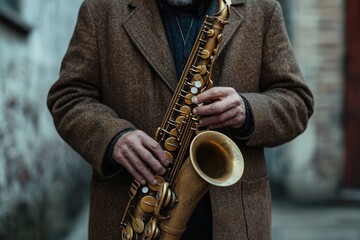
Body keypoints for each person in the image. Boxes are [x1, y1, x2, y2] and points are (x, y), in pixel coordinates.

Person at [47, 0, 314, 239]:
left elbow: (297, 102)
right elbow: (69, 97)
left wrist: (247, 110)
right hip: (135, 214)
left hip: (233, 219)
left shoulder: (264, 9)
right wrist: (114, 138)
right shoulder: (100, 9)